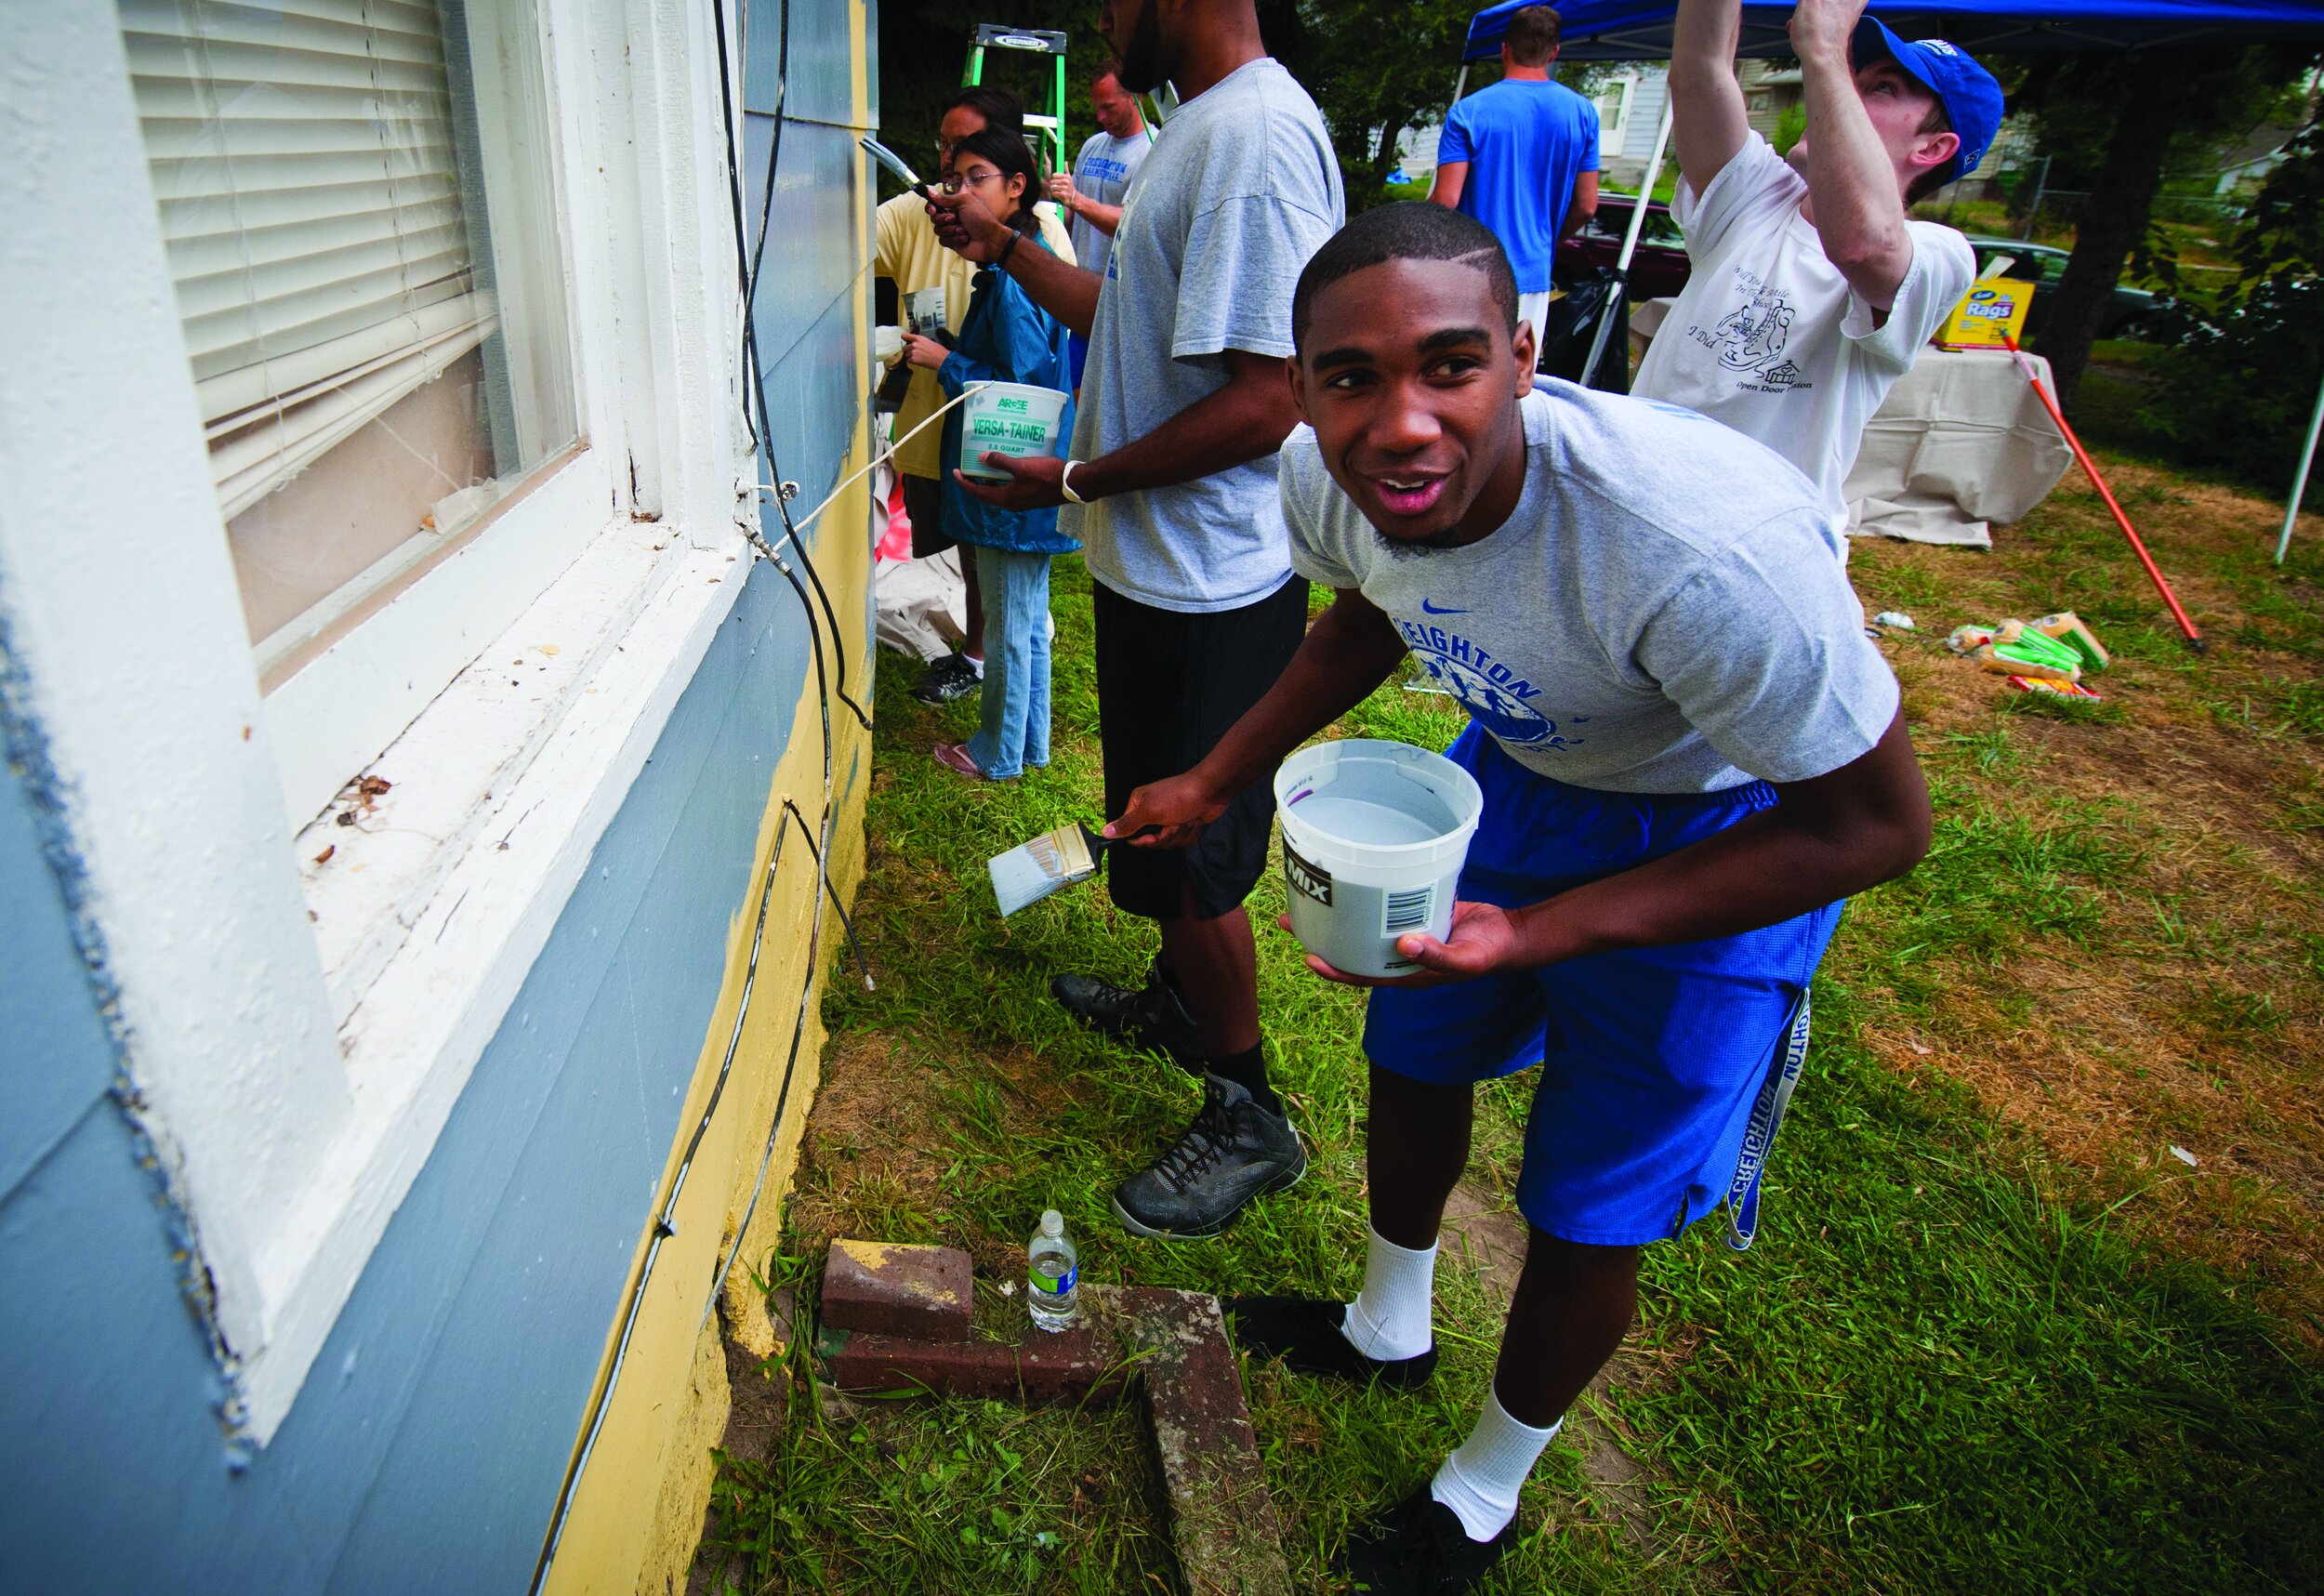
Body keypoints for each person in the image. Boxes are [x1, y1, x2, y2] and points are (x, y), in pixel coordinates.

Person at [1107, 204, 1934, 1593]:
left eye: (1450, 366)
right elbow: (1376, 603)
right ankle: (1388, 1326)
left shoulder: (1699, 550)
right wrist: (1221, 771)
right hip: (1519, 779)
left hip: (1724, 832)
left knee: (1586, 1195)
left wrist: (1541, 933)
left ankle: (1483, 1487)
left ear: (1525, 359)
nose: (1402, 425)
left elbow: (1874, 825)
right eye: (1351, 378)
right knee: (1413, 1048)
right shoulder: (1328, 478)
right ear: (1302, 387)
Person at [930, 0, 1342, 1239]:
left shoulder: (1258, 141)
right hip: (1157, 570)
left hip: (1216, 581)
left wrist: (1073, 480)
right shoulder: (1198, 126)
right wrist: (1004, 246)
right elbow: (1138, 326)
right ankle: (1178, 1001)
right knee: (1157, 838)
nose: (1110, 24)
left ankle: (1250, 1112)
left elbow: (1275, 397)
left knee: (1193, 856)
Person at [1633, 0, 2000, 528]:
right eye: (1857, 75)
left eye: (1882, 89)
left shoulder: (1939, 256)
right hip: (1637, 509)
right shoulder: (1760, 195)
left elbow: (1862, 246)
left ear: (1934, 147)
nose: (1841, 92)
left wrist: (1826, 52)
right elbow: (1700, 69)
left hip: (1761, 544)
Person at [874, 86, 1077, 706]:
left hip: (996, 438)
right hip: (936, 423)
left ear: (1010, 172)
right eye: (945, 150)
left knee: (998, 564)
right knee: (967, 548)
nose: (948, 165)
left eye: (968, 156)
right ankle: (989, 666)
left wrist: (950, 359)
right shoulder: (917, 214)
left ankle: (990, 674)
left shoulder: (1031, 249)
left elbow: (1029, 370)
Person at [1425, 4, 1600, 359]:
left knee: (1463, 375)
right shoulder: (1583, 113)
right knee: (1518, 382)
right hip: (1533, 272)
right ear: (1554, 52)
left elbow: (1446, 200)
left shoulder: (1469, 112)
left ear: (1504, 49)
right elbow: (1586, 206)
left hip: (1472, 271)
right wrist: (1548, 241)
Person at [1047, 59, 1151, 389]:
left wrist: (1076, 198)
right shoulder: (1093, 145)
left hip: (1118, 304)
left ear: (1135, 97)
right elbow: (1073, 219)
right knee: (1069, 393)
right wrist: (1048, 195)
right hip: (1078, 294)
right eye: (1097, 107)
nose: (1100, 117)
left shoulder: (1152, 149)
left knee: (1102, 395)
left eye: (1108, 107)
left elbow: (1130, 222)